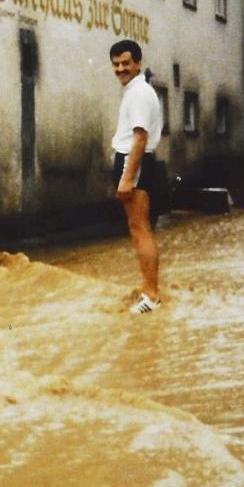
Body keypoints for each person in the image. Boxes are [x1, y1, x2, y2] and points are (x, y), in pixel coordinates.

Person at [108, 39, 164, 315]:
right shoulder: (136, 90)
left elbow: (140, 137)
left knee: (140, 228)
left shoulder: (139, 93)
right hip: (134, 160)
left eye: (126, 63)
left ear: (138, 63)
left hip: (134, 161)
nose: (121, 69)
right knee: (138, 227)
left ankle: (151, 295)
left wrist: (127, 177)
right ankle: (149, 289)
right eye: (116, 64)